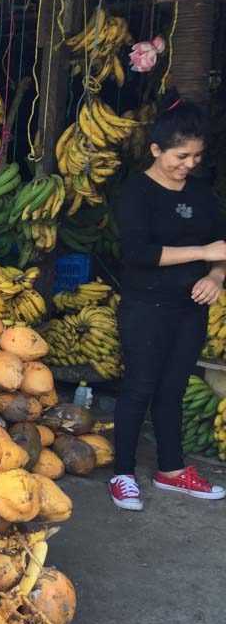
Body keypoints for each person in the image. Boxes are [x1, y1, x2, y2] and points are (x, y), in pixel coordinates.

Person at [110, 99, 226, 510]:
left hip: (190, 309)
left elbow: (220, 248)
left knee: (173, 389)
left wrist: (215, 276)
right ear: (157, 150)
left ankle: (172, 471)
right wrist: (201, 252)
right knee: (139, 386)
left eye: (196, 156)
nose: (189, 164)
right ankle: (122, 472)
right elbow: (138, 253)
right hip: (146, 307)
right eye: (181, 155)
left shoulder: (201, 193)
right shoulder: (136, 192)